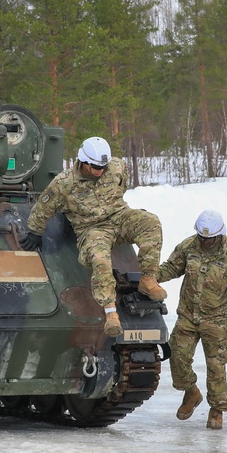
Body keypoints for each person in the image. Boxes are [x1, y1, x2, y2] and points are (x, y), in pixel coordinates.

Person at [21, 137, 167, 336]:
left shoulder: (116, 167)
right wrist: (35, 231)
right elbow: (43, 208)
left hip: (120, 217)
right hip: (92, 229)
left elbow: (122, 185)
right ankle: (110, 312)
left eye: (103, 167)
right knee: (100, 258)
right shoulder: (64, 184)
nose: (100, 171)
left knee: (151, 222)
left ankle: (148, 279)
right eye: (96, 167)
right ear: (83, 161)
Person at [158, 210, 227, 430]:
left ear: (219, 235)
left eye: (209, 239)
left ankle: (217, 410)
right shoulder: (189, 246)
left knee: (216, 367)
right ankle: (191, 392)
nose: (205, 241)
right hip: (188, 316)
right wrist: (150, 276)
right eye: (202, 237)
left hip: (216, 320)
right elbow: (172, 267)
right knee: (177, 357)